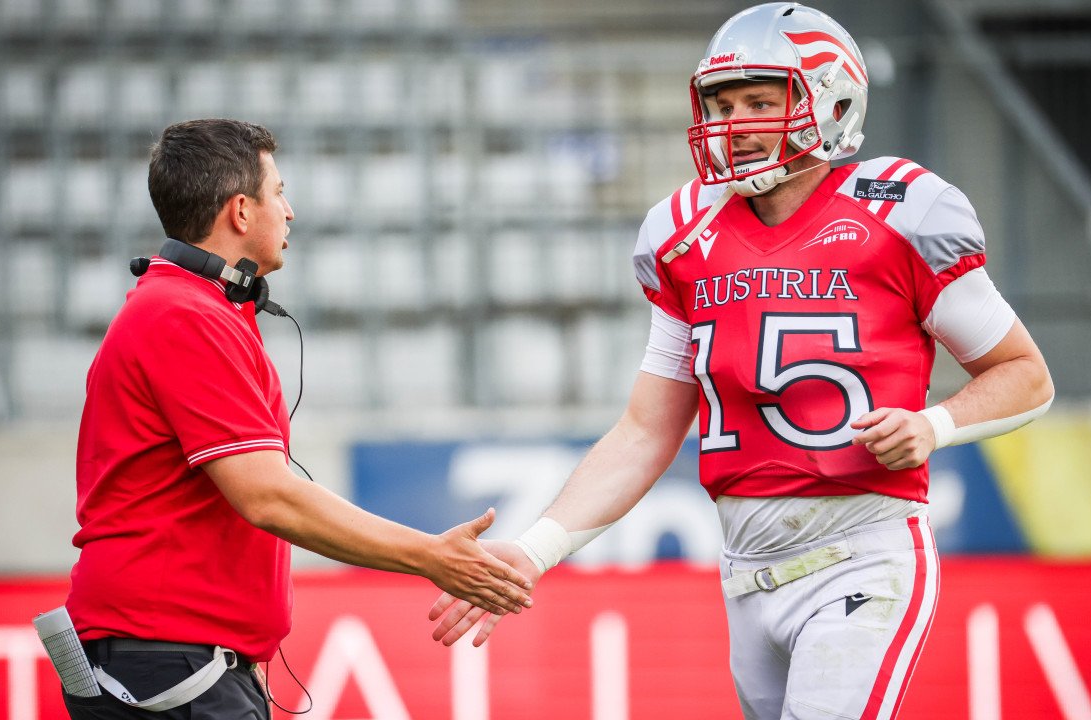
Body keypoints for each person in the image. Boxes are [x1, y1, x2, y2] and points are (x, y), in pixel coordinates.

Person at [428, 4, 1054, 719]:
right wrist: (535, 549)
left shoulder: (900, 209)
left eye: (761, 100)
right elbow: (645, 431)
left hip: (861, 552)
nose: (738, 121)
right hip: (746, 573)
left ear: (832, 101)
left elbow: (1024, 374)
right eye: (723, 103)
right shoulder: (683, 231)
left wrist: (934, 425)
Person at [63, 118, 532, 719]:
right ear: (240, 211)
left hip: (169, 661)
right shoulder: (184, 316)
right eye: (279, 191)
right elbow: (268, 498)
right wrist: (430, 556)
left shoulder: (185, 307)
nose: (291, 210)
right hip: (166, 663)